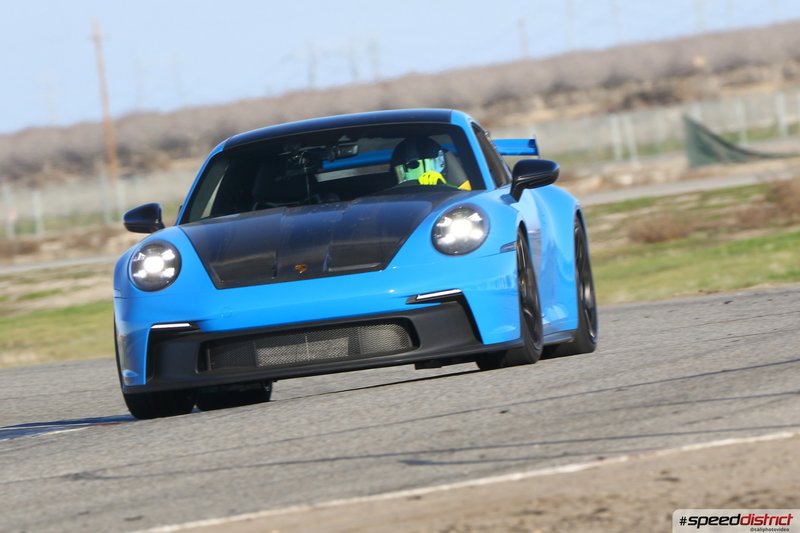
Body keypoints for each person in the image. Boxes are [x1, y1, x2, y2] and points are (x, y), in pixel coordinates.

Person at [390, 137, 471, 190]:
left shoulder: (465, 191)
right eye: (413, 166)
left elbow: (468, 198)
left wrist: (445, 186)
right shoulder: (384, 199)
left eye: (428, 163)